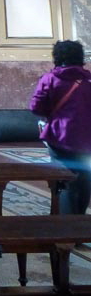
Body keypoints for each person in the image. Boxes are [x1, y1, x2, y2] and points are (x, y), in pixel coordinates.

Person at [30, 39, 91, 214]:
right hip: (87, 138)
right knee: (85, 179)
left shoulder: (50, 79)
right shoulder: (88, 80)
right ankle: (79, 219)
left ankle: (64, 224)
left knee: (62, 179)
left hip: (59, 136)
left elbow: (36, 107)